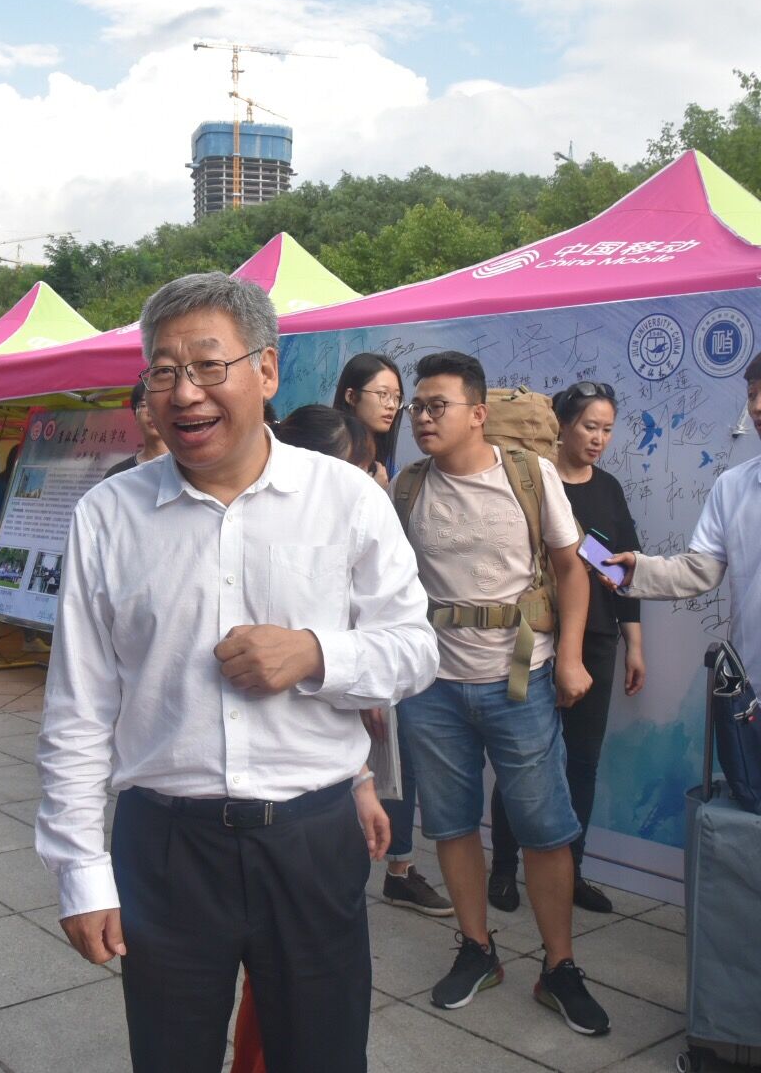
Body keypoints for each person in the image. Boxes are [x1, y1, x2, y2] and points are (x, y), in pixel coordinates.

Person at [36, 272, 437, 1073]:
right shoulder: (108, 516)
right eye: (163, 371)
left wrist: (316, 655)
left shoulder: (347, 499)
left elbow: (414, 649)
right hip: (165, 847)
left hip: (311, 838)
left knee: (321, 1057)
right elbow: (79, 707)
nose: (185, 393)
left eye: (208, 366)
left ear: (267, 370)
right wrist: (80, 870)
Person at [393, 351, 609, 1033]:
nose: (422, 418)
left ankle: (559, 966)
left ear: (477, 413)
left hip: (521, 676)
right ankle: (477, 949)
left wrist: (569, 657)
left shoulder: (529, 475)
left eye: (437, 406)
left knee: (545, 830)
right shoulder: (407, 488)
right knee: (451, 824)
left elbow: (572, 571)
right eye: (417, 406)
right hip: (432, 686)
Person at [606, 343, 761, 779]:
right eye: (751, 395)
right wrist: (636, 571)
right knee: (756, 810)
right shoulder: (734, 485)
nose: (757, 407)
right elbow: (702, 569)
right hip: (750, 691)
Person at [274, 404, 452, 917]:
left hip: (326, 789)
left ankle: (399, 866)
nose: (368, 479)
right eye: (357, 467)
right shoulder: (272, 535)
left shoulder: (360, 518)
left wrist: (361, 780)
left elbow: (412, 650)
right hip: (268, 801)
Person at [488, 381, 646, 917]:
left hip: (597, 638)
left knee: (582, 760)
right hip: (532, 637)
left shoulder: (610, 488)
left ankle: (572, 871)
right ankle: (503, 868)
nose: (598, 439)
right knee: (523, 756)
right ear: (562, 426)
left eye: (607, 429)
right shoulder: (531, 479)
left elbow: (627, 570)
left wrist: (634, 644)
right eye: (588, 426)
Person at [333, 351, 405, 485]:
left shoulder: (386, 465)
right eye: (383, 394)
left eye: (397, 397)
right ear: (351, 397)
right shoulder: (328, 451)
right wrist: (373, 490)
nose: (392, 405)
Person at [105, 381, 170, 478]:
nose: (151, 412)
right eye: (143, 405)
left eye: (159, 404)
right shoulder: (117, 475)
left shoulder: (191, 470)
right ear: (135, 416)